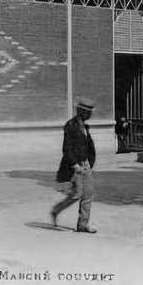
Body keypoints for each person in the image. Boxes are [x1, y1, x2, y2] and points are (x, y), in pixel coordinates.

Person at [51, 98, 98, 233]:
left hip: (86, 164)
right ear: (82, 112)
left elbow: (88, 145)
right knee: (77, 194)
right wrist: (74, 165)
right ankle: (56, 210)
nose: (89, 115)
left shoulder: (84, 126)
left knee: (88, 194)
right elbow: (67, 148)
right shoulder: (71, 125)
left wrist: (89, 162)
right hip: (76, 165)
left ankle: (83, 225)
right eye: (87, 112)